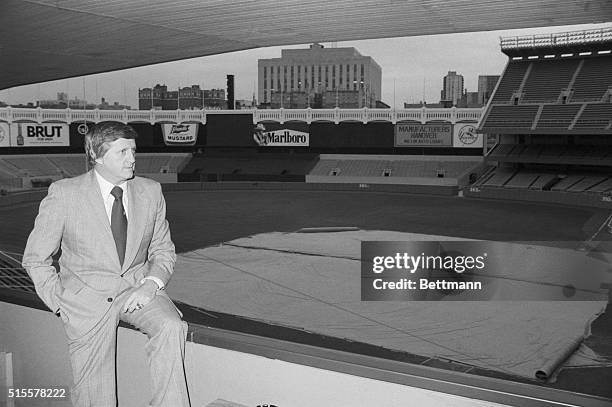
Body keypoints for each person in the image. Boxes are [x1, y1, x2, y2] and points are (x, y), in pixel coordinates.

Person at [22, 122, 190, 407]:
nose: (132, 158)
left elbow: (163, 250)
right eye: (123, 152)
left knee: (172, 326)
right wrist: (62, 303)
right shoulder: (65, 193)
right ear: (97, 155)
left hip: (138, 288)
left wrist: (151, 284)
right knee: (94, 395)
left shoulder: (151, 191)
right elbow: (35, 259)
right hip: (86, 300)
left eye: (133, 150)